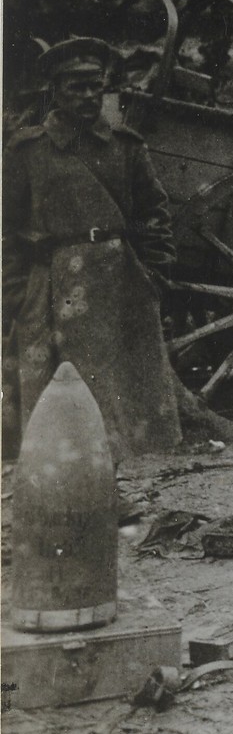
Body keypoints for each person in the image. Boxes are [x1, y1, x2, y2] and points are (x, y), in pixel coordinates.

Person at [2, 37, 182, 459]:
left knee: (119, 397)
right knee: (58, 400)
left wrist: (154, 274)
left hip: (119, 288)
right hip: (52, 291)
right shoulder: (28, 151)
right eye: (74, 88)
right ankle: (65, 484)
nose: (86, 97)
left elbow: (155, 214)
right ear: (56, 91)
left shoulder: (126, 146)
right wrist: (14, 291)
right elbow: (6, 227)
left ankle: (116, 486)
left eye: (94, 87)